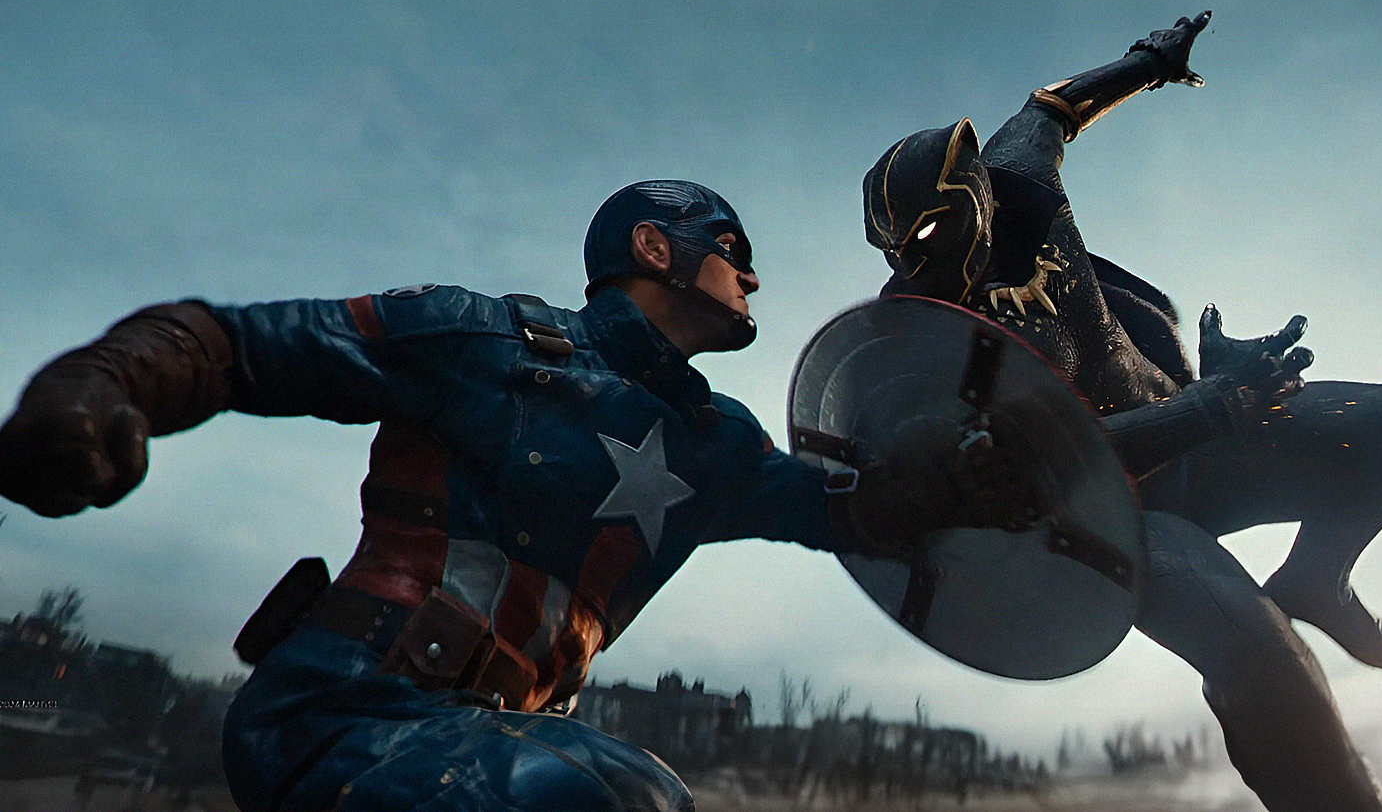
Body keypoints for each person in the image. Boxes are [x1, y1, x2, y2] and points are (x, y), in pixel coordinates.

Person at [0, 180, 1017, 811]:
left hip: (503, 741)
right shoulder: (487, 341)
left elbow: (847, 510)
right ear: (655, 249)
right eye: (730, 248)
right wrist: (95, 385)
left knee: (612, 789)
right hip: (339, 716)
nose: (751, 275)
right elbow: (239, 345)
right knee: (613, 798)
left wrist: (962, 478)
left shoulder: (717, 447)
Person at [862, 12, 1382, 812]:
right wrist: (1213, 406)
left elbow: (1051, 108)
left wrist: (1152, 59)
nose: (923, 261)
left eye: (934, 230)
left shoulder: (1019, 175)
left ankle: (1316, 579)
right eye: (902, 249)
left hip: (1209, 434)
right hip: (1127, 521)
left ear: (978, 193)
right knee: (1265, 662)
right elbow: (1035, 466)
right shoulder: (924, 347)